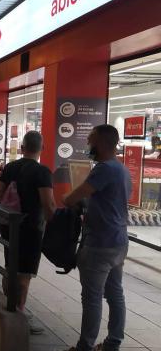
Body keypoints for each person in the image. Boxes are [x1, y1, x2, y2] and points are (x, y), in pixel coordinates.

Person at [63, 125, 131, 351]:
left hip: (100, 244)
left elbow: (73, 197)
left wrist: (67, 199)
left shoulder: (103, 169)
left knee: (92, 298)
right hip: (119, 241)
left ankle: (85, 347)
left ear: (101, 143)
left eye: (90, 141)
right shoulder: (122, 169)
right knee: (115, 294)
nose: (88, 146)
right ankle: (113, 343)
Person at [0, 131, 56, 335]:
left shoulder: (10, 167)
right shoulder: (42, 172)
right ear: (42, 149)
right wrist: (53, 226)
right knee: (25, 274)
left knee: (10, 265)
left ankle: (9, 305)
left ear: (22, 147)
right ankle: (19, 315)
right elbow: (48, 204)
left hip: (8, 225)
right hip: (30, 228)